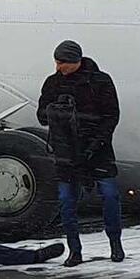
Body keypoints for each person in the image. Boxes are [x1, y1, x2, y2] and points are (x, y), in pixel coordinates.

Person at [37, 40, 122, 267]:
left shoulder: (100, 81)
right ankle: (75, 250)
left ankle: (115, 243)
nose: (58, 68)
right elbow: (41, 115)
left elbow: (111, 115)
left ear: (76, 61)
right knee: (66, 201)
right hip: (66, 152)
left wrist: (96, 143)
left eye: (62, 63)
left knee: (110, 196)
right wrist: (55, 111)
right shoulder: (53, 83)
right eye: (57, 62)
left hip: (98, 150)